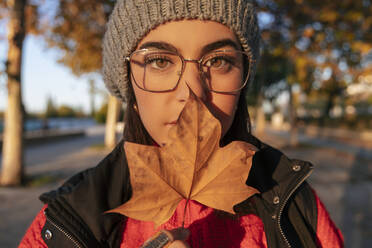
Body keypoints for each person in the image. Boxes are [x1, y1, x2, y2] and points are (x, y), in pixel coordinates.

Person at [19, 0, 344, 247]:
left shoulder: (295, 203)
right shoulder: (67, 218)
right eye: (159, 61)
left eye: (219, 61)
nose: (192, 95)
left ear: (244, 77)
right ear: (127, 83)